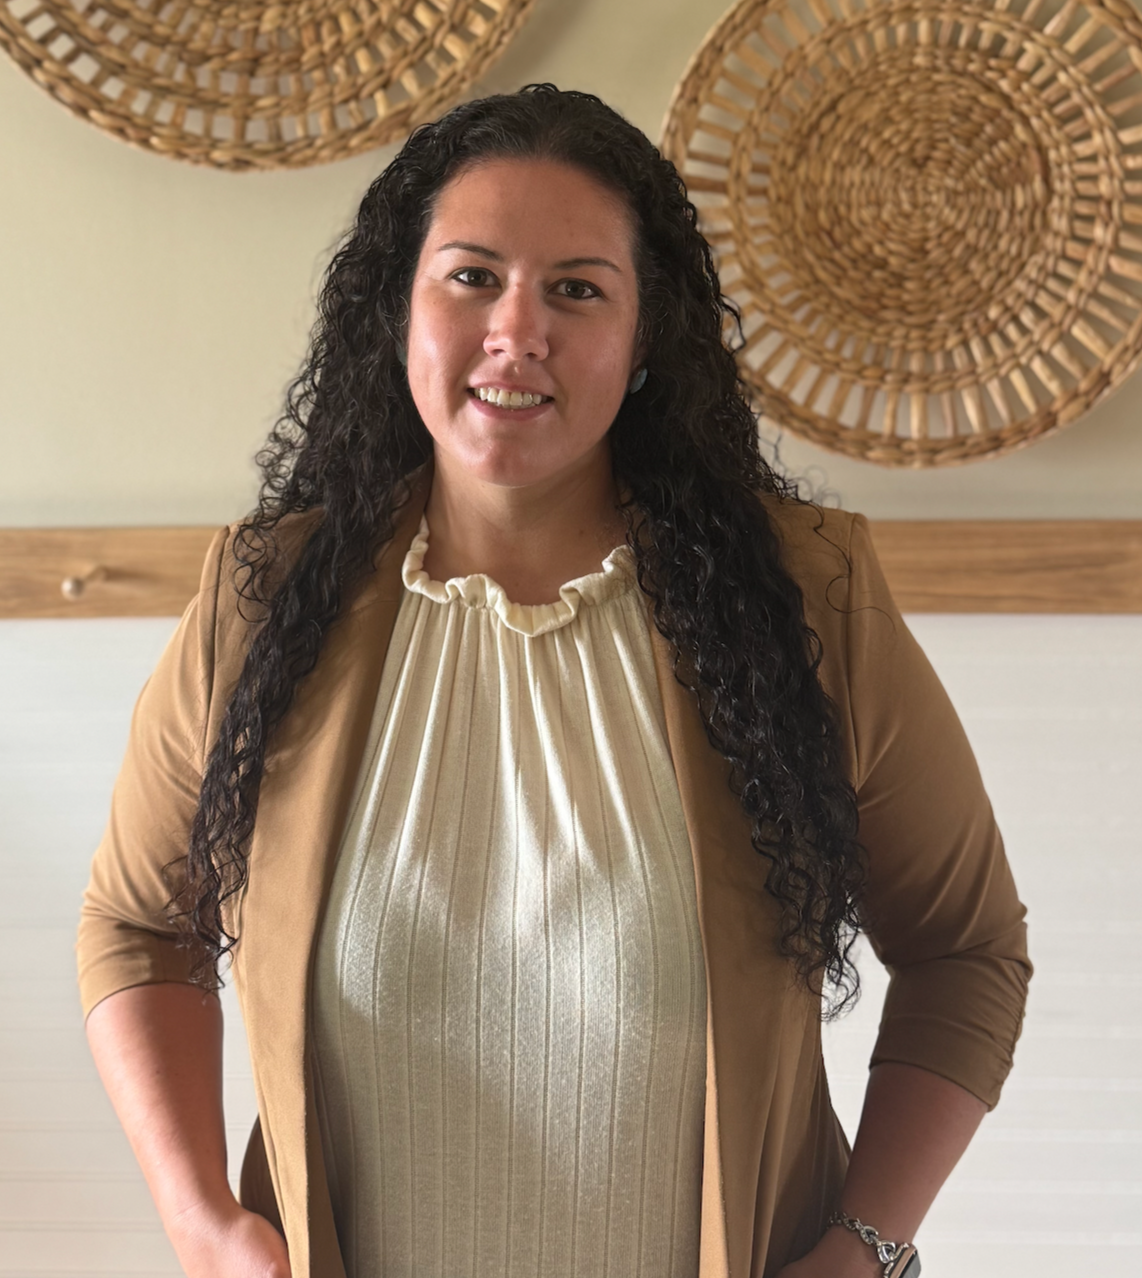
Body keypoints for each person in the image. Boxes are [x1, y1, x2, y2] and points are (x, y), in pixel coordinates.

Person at [78, 85, 1031, 1278]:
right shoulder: (264, 600)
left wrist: (864, 1248)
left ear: (642, 350)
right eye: (470, 277)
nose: (515, 331)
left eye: (576, 290)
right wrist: (199, 1220)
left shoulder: (802, 599)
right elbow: (138, 924)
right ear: (398, 312)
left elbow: (965, 949)